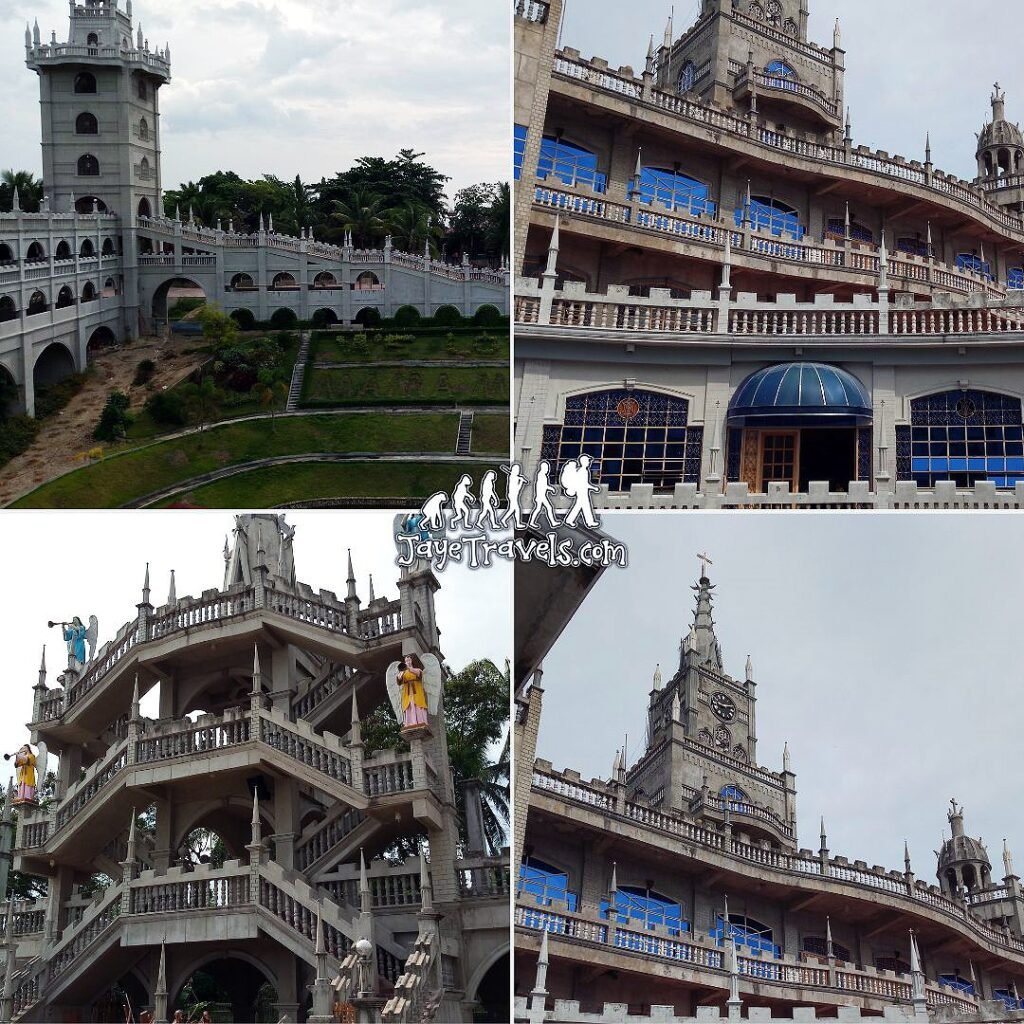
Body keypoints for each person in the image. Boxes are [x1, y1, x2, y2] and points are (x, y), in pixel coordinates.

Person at [395, 654, 428, 729]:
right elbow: (399, 681)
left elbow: (419, 674)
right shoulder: (403, 673)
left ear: (411, 661)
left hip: (417, 693)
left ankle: (420, 722)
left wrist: (409, 668)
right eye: (406, 661)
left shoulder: (417, 670)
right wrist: (401, 673)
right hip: (407, 694)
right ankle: (409, 723)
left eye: (409, 660)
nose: (407, 662)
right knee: (409, 706)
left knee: (418, 706)